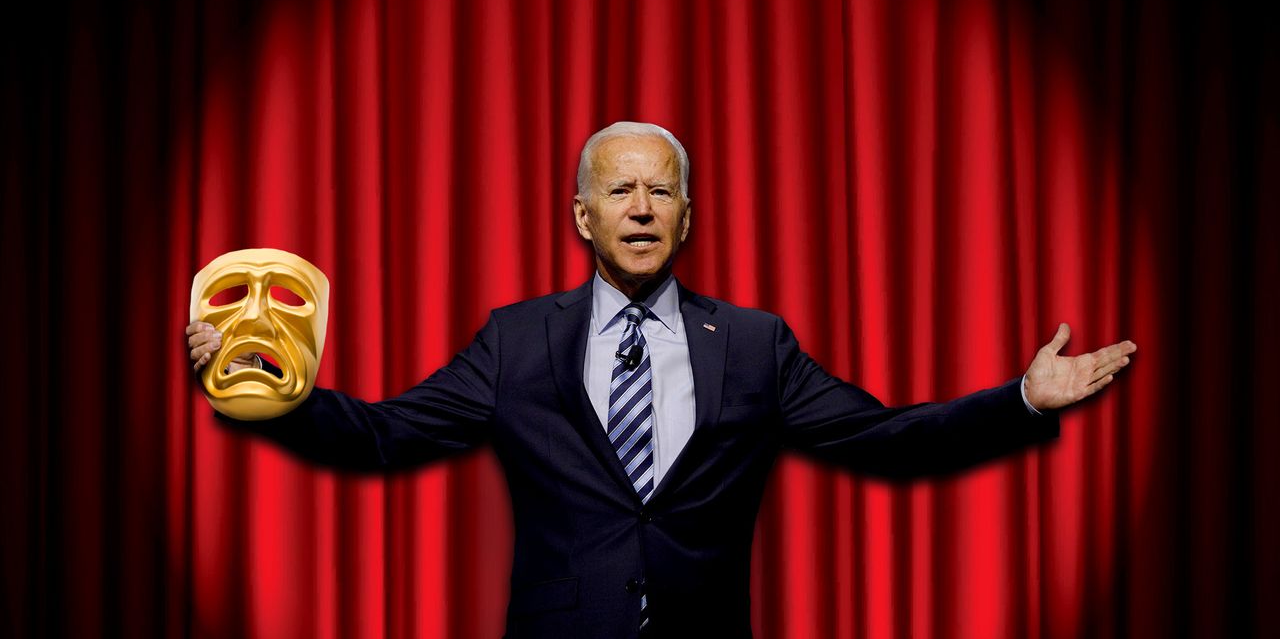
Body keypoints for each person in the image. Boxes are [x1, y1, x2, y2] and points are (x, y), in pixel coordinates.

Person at [186, 122, 1136, 638]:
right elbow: (388, 434)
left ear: (686, 216)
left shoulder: (756, 344)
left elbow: (881, 439)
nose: (640, 207)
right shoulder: (517, 340)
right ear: (582, 215)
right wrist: (271, 390)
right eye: (619, 191)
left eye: (661, 191)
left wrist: (1019, 402)